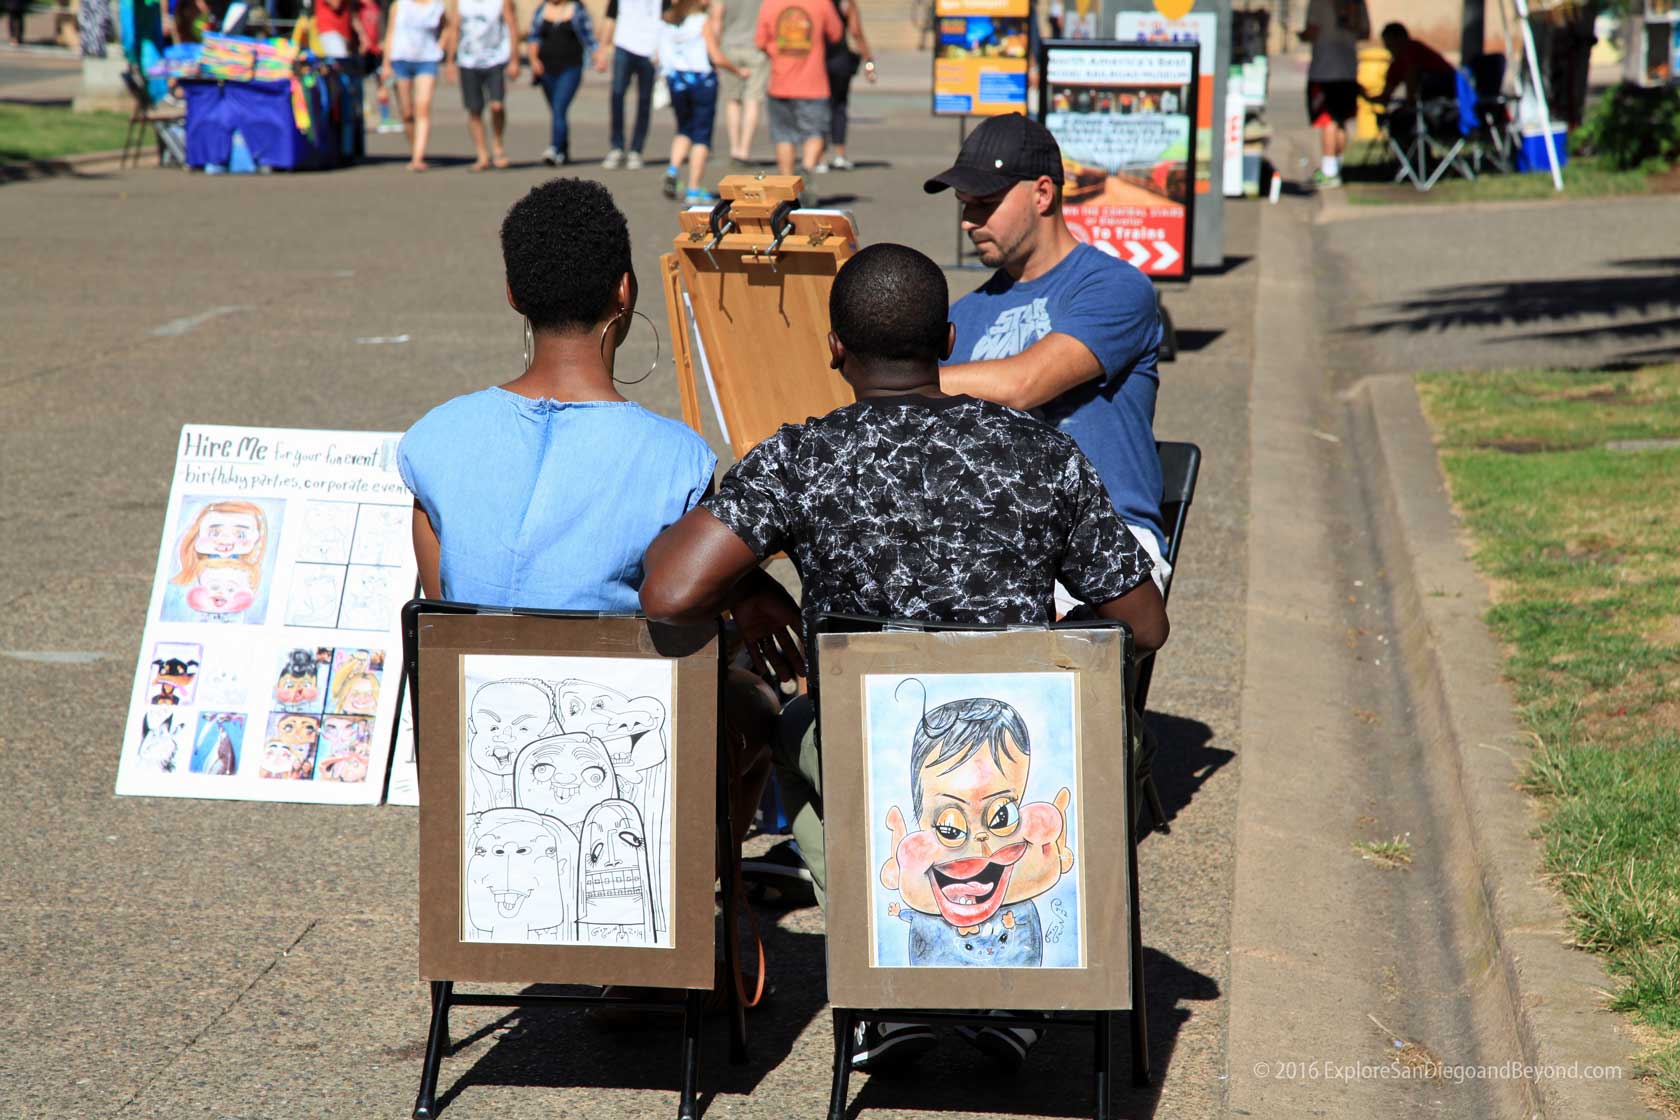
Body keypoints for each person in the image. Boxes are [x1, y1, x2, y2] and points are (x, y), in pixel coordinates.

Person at [639, 244, 1167, 1065]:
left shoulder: (802, 459)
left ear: (835, 349)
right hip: (1018, 758)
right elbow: (1146, 625)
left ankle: (888, 973)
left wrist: (751, 585)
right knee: (1099, 742)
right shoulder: (1041, 453)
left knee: (798, 729)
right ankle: (1015, 988)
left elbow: (670, 590)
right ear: (949, 341)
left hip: (872, 753)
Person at [397, 178, 779, 843]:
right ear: (625, 291)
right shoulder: (679, 459)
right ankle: (699, 881)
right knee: (760, 700)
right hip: (616, 756)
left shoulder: (434, 438)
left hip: (480, 739)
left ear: (513, 294)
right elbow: (691, 617)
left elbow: (448, 608)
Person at [927, 113, 1171, 598]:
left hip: (1106, 539)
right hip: (994, 543)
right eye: (964, 205)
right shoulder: (964, 313)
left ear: (1042, 194)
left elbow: (1025, 384)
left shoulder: (1115, 287)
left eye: (985, 203)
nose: (968, 221)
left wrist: (902, 379)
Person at [658, 0, 747, 203]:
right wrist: (738, 70)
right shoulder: (701, 21)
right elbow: (716, 56)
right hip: (701, 82)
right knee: (701, 136)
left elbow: (660, 55)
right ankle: (693, 188)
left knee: (683, 129)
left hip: (677, 80)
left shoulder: (669, 20)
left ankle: (672, 170)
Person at [754, 0, 841, 196]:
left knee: (784, 135)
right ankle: (807, 170)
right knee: (815, 133)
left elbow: (760, 41)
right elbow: (836, 33)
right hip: (813, 82)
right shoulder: (821, 3)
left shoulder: (770, 3)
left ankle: (787, 185)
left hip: (780, 81)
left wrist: (777, 50)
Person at [1299, 0, 1368, 188]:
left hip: (1325, 70)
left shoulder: (1319, 2)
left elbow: (1312, 31)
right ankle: (1336, 168)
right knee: (1341, 121)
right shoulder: (1357, 3)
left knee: (1328, 120)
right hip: (1348, 69)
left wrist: (1303, 35)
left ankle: (1329, 172)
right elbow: (1364, 32)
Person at [593, 0, 663, 169]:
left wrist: (663, 50)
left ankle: (636, 150)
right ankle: (617, 147)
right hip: (624, 45)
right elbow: (610, 18)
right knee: (617, 95)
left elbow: (667, 18)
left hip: (650, 49)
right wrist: (602, 50)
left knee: (644, 100)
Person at [382, 0, 452, 170]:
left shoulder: (436, 6)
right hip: (400, 60)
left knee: (423, 107)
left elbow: (447, 27)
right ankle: (415, 148)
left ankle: (418, 157)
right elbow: (390, 34)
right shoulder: (399, 5)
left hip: (427, 60)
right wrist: (386, 64)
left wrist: (440, 47)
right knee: (407, 112)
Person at [450, 0, 519, 170]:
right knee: (474, 109)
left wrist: (514, 60)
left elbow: (512, 26)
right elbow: (455, 28)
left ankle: (498, 144)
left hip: (495, 60)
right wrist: (450, 61)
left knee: (497, 105)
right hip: (468, 61)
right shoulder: (460, 2)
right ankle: (482, 154)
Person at [528, 0, 594, 164]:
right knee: (557, 111)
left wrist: (598, 56)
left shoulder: (577, 10)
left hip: (571, 68)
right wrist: (534, 60)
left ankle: (555, 148)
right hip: (546, 70)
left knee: (559, 107)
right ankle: (563, 151)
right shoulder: (541, 10)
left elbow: (589, 37)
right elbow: (533, 38)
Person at [814, 0, 872, 171]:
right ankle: (840, 155)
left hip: (818, 60)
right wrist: (869, 61)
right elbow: (856, 31)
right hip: (840, 59)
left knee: (819, 108)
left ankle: (819, 158)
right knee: (839, 106)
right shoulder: (847, 3)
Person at [715, 0, 765, 166]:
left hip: (729, 47)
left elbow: (716, 20)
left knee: (732, 100)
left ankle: (735, 149)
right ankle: (744, 150)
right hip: (756, 48)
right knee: (752, 100)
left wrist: (715, 52)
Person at [1371, 21, 1456, 105]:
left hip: (1448, 86)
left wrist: (1410, 100)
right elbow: (1385, 95)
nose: (1388, 49)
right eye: (1387, 45)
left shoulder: (1413, 49)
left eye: (1390, 44)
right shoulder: (1396, 65)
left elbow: (1411, 73)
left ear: (1402, 38)